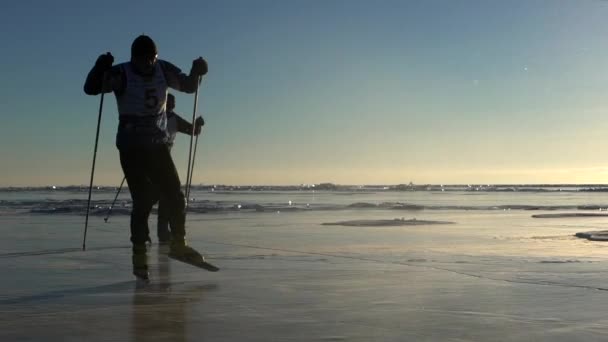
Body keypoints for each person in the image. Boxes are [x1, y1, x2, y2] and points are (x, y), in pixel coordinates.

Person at [83, 35, 207, 280]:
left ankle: (178, 243)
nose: (147, 64)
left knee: (174, 192)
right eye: (142, 60)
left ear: (156, 57)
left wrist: (197, 71)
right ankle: (139, 254)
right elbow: (91, 88)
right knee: (144, 198)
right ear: (133, 58)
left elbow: (190, 87)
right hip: (131, 147)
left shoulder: (163, 69)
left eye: (151, 59)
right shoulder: (123, 73)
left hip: (158, 145)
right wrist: (99, 68)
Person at [157, 93, 204, 244]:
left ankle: (162, 232)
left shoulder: (173, 118)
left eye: (173, 102)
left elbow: (193, 131)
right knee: (168, 196)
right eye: (170, 102)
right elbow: (193, 131)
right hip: (158, 158)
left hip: (163, 158)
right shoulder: (158, 116)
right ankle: (164, 233)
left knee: (165, 196)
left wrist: (197, 125)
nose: (173, 104)